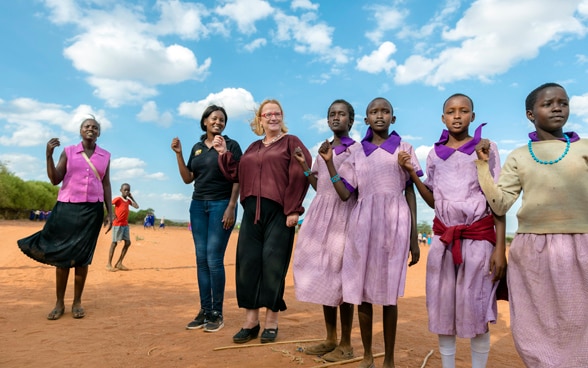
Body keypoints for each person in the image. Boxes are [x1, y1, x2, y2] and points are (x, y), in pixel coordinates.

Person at [475, 83, 588, 367]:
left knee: (580, 317)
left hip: (581, 245)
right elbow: (500, 204)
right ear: (530, 114)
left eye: (563, 102)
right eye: (548, 104)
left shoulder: (584, 148)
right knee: (537, 321)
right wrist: (483, 166)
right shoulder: (519, 156)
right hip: (533, 250)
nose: (557, 107)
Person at [399, 93, 506, 368]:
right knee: (443, 307)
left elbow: (496, 198)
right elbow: (434, 199)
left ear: (473, 115)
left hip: (479, 240)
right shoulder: (435, 153)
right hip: (444, 241)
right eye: (451, 111)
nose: (457, 115)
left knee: (477, 307)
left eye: (463, 110)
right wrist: (412, 174)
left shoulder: (486, 147)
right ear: (443, 118)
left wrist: (500, 249)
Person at [319, 97, 420, 368]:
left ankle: (388, 360)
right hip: (362, 225)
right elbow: (344, 194)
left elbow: (409, 192)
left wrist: (413, 240)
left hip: (394, 226)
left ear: (393, 118)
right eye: (374, 112)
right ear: (366, 120)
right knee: (362, 293)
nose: (379, 116)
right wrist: (329, 164)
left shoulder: (404, 148)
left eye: (385, 111)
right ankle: (366, 356)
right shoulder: (357, 153)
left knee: (387, 295)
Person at [214, 99, 311, 344]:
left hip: (279, 212)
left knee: (273, 265)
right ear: (260, 119)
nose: (273, 118)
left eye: (277, 113)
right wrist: (224, 154)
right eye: (267, 114)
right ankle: (251, 322)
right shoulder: (253, 147)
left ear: (282, 117)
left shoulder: (291, 142)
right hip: (251, 213)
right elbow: (237, 173)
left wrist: (293, 209)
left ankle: (271, 322)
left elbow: (302, 171)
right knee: (247, 265)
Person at [17, 116, 112, 320]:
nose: (91, 129)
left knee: (83, 258)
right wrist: (48, 156)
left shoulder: (105, 156)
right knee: (62, 255)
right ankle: (59, 303)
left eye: (95, 127)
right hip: (67, 209)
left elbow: (106, 184)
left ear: (99, 133)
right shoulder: (68, 152)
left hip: (92, 211)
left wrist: (109, 213)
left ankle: (77, 302)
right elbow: (54, 179)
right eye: (87, 126)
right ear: (80, 130)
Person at [293, 99, 359, 362]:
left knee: (342, 282)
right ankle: (330, 339)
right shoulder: (324, 147)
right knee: (324, 277)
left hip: (343, 219)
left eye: (341, 114)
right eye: (332, 114)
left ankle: (346, 343)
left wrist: (329, 163)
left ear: (351, 121)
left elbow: (344, 193)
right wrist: (305, 167)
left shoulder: (356, 151)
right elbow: (320, 186)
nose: (336, 118)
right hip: (320, 216)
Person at [171, 104, 242, 333]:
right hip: (198, 206)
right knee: (201, 259)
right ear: (205, 122)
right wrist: (180, 155)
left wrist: (231, 206)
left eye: (222, 119)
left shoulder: (231, 145)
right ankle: (204, 310)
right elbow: (187, 178)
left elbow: (237, 177)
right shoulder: (197, 148)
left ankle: (217, 313)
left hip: (222, 204)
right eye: (214, 118)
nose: (218, 122)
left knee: (213, 259)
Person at [107, 183, 139, 272]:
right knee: (114, 243)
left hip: (125, 225)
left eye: (128, 190)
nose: (126, 191)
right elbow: (109, 203)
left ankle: (119, 263)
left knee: (128, 243)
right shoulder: (118, 199)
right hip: (117, 224)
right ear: (121, 190)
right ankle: (108, 264)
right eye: (125, 190)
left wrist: (132, 198)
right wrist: (112, 214)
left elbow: (137, 206)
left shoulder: (128, 201)